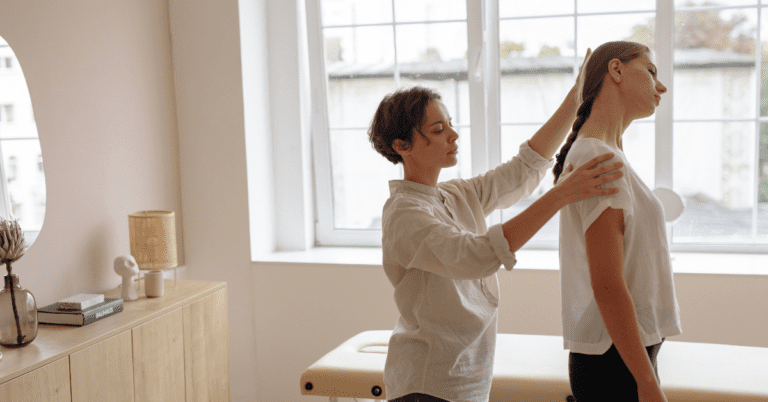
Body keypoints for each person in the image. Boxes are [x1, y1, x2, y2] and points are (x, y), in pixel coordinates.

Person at [369, 50, 626, 402]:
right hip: (426, 384)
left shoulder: (455, 194)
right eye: (438, 129)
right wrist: (560, 195)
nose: (454, 136)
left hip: (466, 380)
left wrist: (575, 98)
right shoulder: (404, 214)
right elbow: (474, 256)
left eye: (450, 124)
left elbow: (523, 169)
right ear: (402, 146)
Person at [553, 41, 682, 402]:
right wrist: (647, 383)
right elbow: (607, 283)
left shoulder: (608, 153)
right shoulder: (597, 156)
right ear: (616, 70)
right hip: (613, 364)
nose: (662, 86)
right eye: (651, 71)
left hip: (624, 354)